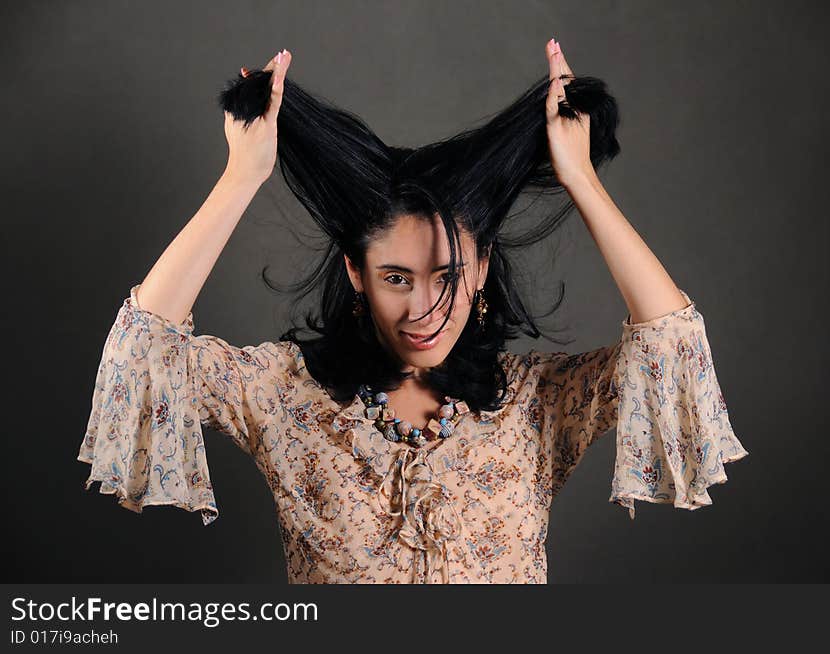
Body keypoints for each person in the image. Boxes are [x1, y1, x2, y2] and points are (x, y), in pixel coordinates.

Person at [77, 40, 748, 583]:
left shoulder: (536, 402)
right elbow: (144, 353)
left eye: (447, 276)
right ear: (356, 274)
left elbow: (670, 349)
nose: (425, 307)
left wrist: (581, 178)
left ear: (482, 269)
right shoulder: (282, 392)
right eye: (396, 277)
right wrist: (241, 177)